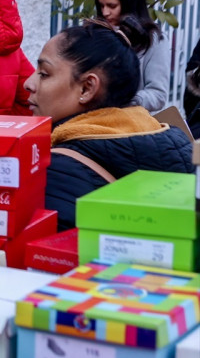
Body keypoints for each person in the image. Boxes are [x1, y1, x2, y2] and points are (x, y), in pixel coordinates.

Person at [25, 19, 193, 230]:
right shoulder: (175, 142)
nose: (28, 83)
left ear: (87, 88)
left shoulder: (58, 170)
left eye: (44, 74)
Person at [94, 0, 169, 113]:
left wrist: (123, 100)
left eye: (112, 6)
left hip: (134, 125)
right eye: (101, 6)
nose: (105, 13)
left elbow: (158, 95)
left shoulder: (153, 40)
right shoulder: (98, 33)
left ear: (129, 3)